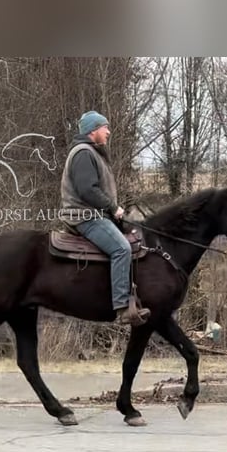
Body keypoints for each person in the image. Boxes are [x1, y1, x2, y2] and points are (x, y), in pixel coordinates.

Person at [59, 111, 151, 326]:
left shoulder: (92, 152)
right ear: (93, 130)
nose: (108, 131)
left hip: (95, 214)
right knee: (122, 248)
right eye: (105, 127)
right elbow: (87, 190)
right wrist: (113, 207)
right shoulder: (83, 152)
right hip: (84, 216)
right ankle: (121, 308)